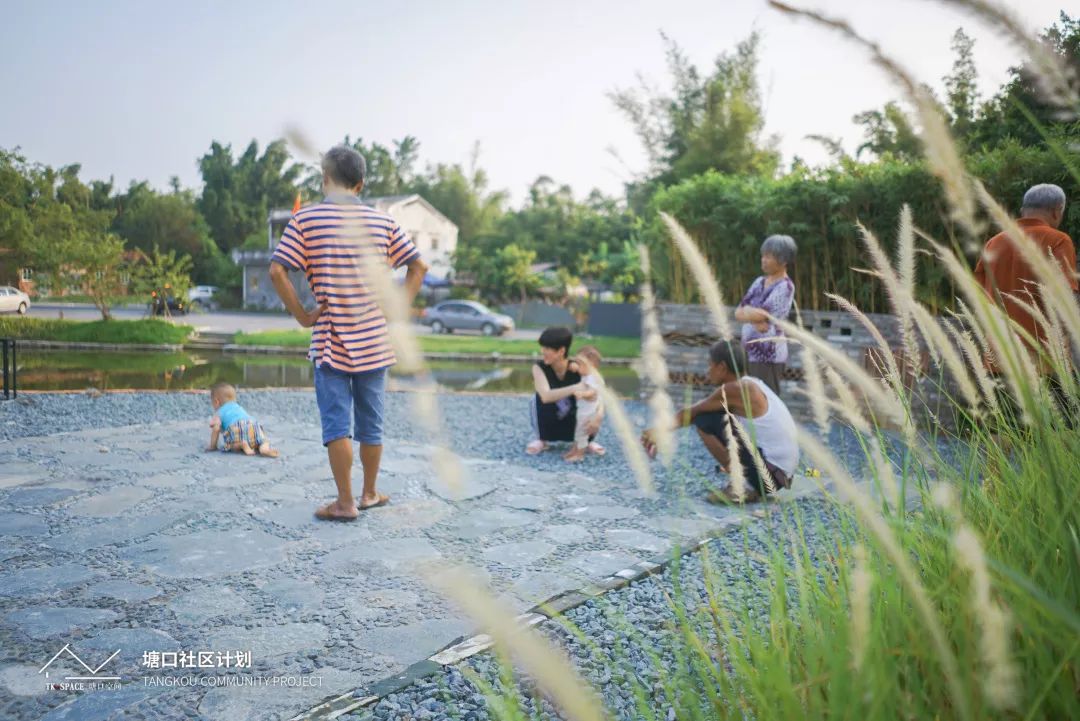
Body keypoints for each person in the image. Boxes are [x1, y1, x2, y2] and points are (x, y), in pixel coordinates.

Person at [269, 145, 428, 521]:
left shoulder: (306, 220)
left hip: (330, 340)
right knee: (372, 422)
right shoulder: (383, 222)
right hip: (375, 340)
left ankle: (345, 503)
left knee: (337, 424)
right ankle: (369, 493)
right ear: (361, 184)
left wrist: (303, 316)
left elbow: (277, 271)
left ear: (325, 179)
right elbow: (418, 267)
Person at [640, 340, 798, 503]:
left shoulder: (735, 389)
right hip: (780, 475)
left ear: (722, 367)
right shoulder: (753, 384)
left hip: (769, 476)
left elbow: (692, 413)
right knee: (716, 414)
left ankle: (741, 486)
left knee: (703, 419)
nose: (708, 371)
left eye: (710, 365)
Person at [974, 183, 1077, 370]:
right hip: (1045, 361)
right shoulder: (1059, 240)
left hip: (998, 359)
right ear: (1057, 212)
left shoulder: (993, 243)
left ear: (1023, 211)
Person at [732, 234, 797, 395]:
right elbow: (738, 312)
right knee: (746, 400)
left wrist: (752, 314)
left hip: (768, 356)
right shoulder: (759, 282)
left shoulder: (785, 287)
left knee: (766, 400)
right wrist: (755, 318)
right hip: (748, 352)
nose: (763, 260)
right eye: (763, 256)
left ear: (783, 260)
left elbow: (762, 315)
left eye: (768, 257)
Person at [527, 327, 604, 455]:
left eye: (547, 348)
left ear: (561, 351)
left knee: (591, 401)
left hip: (573, 420)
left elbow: (598, 393)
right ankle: (542, 439)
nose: (542, 351)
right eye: (543, 347)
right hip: (549, 418)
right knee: (535, 399)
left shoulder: (579, 367)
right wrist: (575, 387)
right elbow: (546, 396)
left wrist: (598, 417)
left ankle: (585, 441)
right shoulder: (539, 367)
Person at [206, 382, 279, 457]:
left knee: (229, 445)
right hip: (253, 425)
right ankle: (264, 449)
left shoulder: (219, 413)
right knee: (261, 440)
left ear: (216, 402)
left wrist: (213, 446)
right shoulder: (238, 407)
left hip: (236, 427)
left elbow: (216, 429)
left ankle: (242, 444)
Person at [563, 345, 604, 463]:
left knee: (582, 433)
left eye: (580, 364)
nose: (577, 366)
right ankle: (574, 450)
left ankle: (579, 454)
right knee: (578, 431)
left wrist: (583, 394)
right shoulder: (586, 376)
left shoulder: (592, 378)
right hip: (583, 410)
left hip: (588, 412)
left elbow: (593, 392)